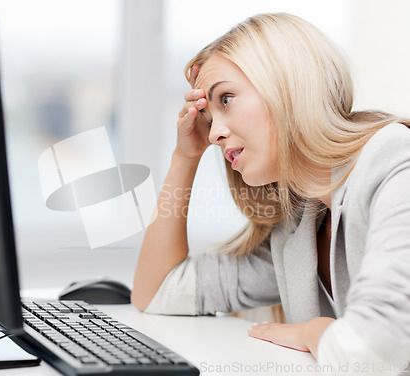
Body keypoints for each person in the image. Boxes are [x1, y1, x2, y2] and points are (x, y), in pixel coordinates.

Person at [131, 12, 410, 375]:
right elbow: (156, 292)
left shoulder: (394, 162)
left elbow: (372, 352)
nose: (214, 133)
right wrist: (185, 156)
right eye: (210, 118)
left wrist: (316, 331)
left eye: (226, 99)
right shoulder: (298, 224)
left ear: (288, 83)